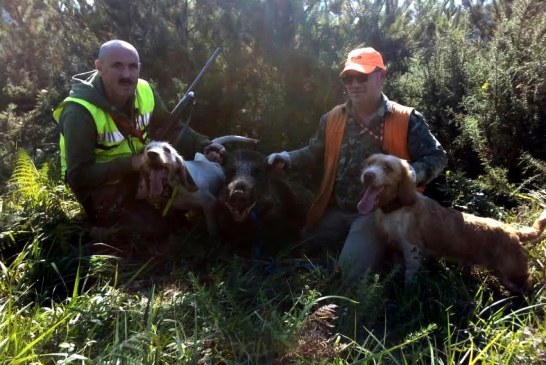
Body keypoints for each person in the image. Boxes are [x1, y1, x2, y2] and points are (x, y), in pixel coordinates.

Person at [267, 47, 447, 281]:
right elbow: (313, 151)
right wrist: (287, 158)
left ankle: (388, 259)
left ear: (382, 76)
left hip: (380, 214)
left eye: (362, 77)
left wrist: (410, 173)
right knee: (299, 247)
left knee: (349, 275)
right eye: (348, 78)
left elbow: (438, 157)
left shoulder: (406, 119)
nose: (354, 84)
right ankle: (372, 254)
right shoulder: (332, 118)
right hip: (337, 208)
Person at [53, 39, 224, 242]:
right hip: (100, 185)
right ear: (99, 67)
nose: (127, 75)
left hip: (137, 172)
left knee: (173, 217)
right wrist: (132, 163)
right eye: (117, 66)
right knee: (155, 230)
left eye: (132, 67)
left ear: (139, 68)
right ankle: (95, 231)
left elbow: (173, 126)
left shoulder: (145, 91)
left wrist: (204, 144)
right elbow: (78, 176)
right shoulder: (79, 113)